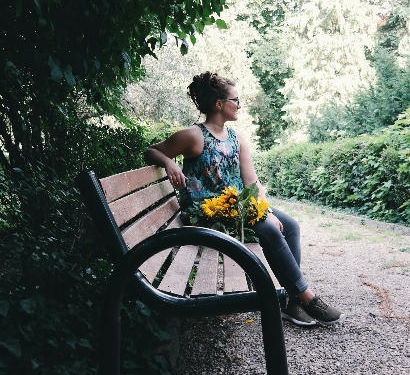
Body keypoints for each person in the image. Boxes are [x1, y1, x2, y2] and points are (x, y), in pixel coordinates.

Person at [144, 72, 344, 327]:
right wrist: (168, 161)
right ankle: (307, 297)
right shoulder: (193, 136)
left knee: (290, 225)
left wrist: (265, 209)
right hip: (209, 211)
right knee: (270, 229)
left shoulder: (237, 138)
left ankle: (293, 302)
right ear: (219, 104)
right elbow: (149, 152)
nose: (239, 105)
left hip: (238, 206)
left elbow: (252, 182)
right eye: (235, 100)